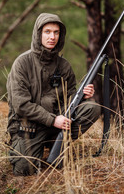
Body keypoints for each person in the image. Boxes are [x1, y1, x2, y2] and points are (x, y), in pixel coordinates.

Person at [6, 13, 101, 176]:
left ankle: (58, 143)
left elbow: (69, 98)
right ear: (38, 34)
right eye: (47, 32)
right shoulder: (22, 63)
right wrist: (52, 120)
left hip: (57, 126)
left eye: (56, 32)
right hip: (29, 127)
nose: (52, 37)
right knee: (24, 170)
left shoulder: (64, 66)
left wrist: (82, 95)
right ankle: (27, 147)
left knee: (92, 108)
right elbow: (21, 105)